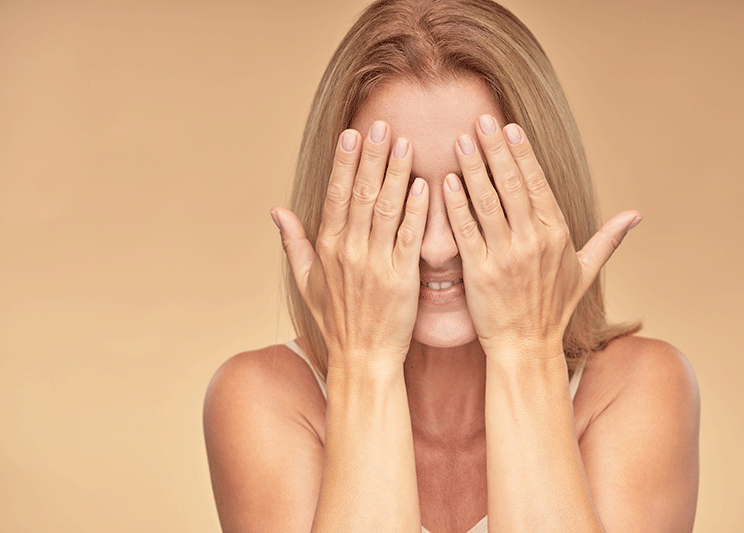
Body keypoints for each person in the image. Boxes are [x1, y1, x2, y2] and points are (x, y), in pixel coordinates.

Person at [203, 0, 700, 531]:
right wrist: (365, 364)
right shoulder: (259, 398)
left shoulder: (642, 387)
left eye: (476, 191)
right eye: (397, 197)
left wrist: (525, 351)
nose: (437, 247)